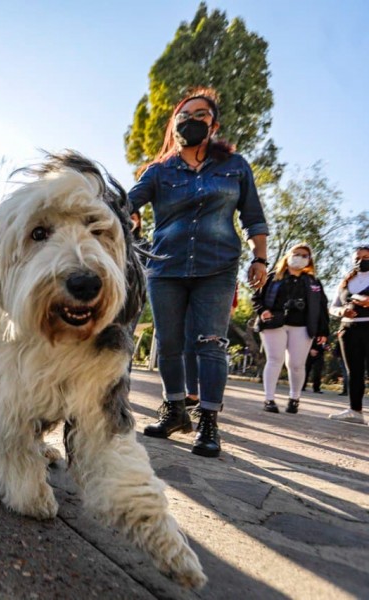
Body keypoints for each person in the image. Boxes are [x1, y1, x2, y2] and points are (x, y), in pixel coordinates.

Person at [129, 88, 269, 458]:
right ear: (174, 125)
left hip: (217, 267)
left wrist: (261, 259)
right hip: (166, 266)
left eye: (201, 115)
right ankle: (175, 410)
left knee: (210, 343)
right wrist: (124, 215)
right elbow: (127, 203)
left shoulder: (235, 167)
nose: (192, 121)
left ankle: (208, 421)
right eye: (184, 116)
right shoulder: (159, 171)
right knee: (170, 344)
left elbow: (253, 216)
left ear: (214, 124)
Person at [252, 244, 329, 414]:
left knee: (296, 364)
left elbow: (322, 308)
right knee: (274, 359)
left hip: (301, 326)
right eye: (297, 254)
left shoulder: (313, 282)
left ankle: (294, 399)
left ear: (309, 260)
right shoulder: (273, 278)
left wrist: (323, 331)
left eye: (304, 255)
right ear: (288, 256)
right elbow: (256, 298)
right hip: (274, 323)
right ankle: (269, 399)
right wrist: (263, 311)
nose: (300, 258)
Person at [328, 246, 369, 424]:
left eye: (366, 257)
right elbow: (333, 307)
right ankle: (355, 411)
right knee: (354, 372)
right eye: (358, 258)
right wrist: (341, 312)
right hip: (349, 330)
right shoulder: (345, 282)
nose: (361, 261)